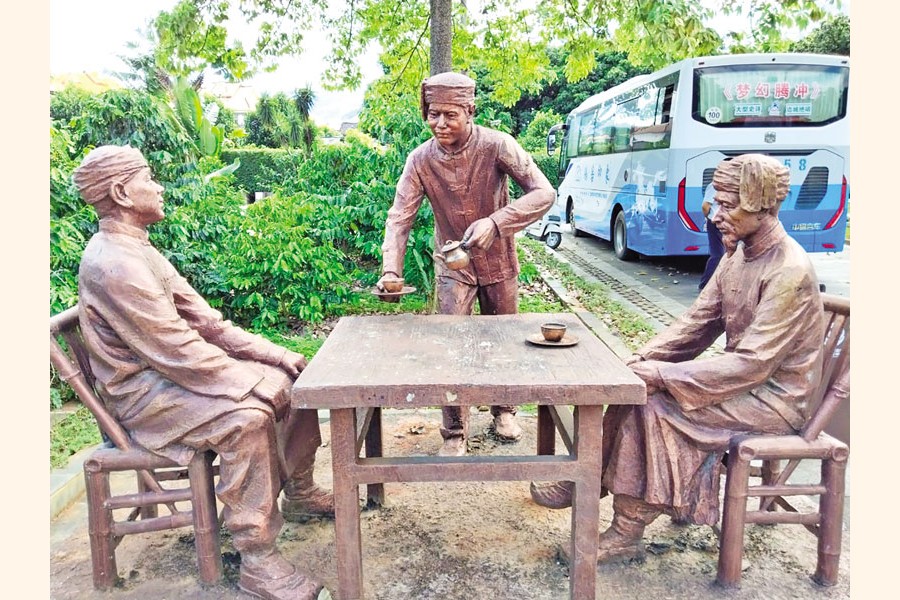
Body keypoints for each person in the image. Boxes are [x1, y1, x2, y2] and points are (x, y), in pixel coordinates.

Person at [530, 154, 825, 564]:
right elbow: (697, 323)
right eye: (715, 201)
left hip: (773, 399)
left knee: (654, 407)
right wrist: (641, 361)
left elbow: (753, 365)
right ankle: (587, 478)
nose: (715, 213)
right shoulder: (737, 257)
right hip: (741, 383)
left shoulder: (788, 270)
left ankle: (627, 531)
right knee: (632, 386)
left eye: (727, 204)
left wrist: (663, 376)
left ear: (762, 205)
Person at [72, 145, 333, 600]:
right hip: (142, 394)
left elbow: (206, 322)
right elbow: (175, 348)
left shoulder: (139, 249)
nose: (159, 187)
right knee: (247, 419)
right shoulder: (114, 263)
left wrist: (274, 355)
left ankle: (302, 489)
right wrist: (249, 382)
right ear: (121, 192)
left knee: (294, 382)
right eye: (149, 178)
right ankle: (258, 557)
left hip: (168, 375)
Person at [377, 71, 556, 457]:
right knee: (450, 345)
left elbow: (544, 192)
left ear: (470, 111)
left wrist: (497, 222)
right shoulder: (420, 160)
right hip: (453, 266)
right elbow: (399, 217)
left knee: (505, 339)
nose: (440, 123)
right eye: (433, 114)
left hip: (499, 261)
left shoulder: (498, 146)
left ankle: (504, 410)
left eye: (450, 115)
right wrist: (392, 268)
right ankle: (454, 429)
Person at [698, 183, 725, 290]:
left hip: (724, 223)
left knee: (723, 254)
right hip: (716, 223)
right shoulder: (715, 185)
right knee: (718, 254)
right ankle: (705, 283)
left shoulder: (729, 184)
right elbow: (705, 206)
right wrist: (710, 218)